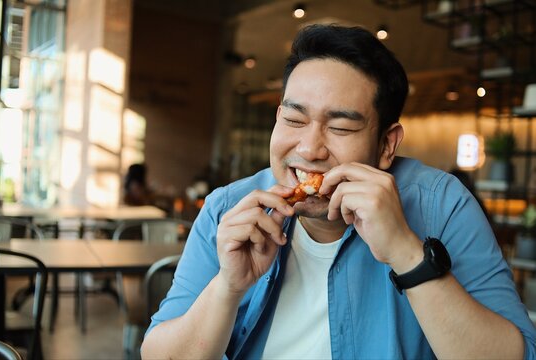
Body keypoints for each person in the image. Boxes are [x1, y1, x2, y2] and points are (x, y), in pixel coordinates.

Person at [141, 25, 536, 359]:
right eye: (295, 119)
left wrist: (405, 251)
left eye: (341, 128)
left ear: (386, 145)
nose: (309, 149)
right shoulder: (228, 209)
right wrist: (228, 287)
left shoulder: (439, 204)